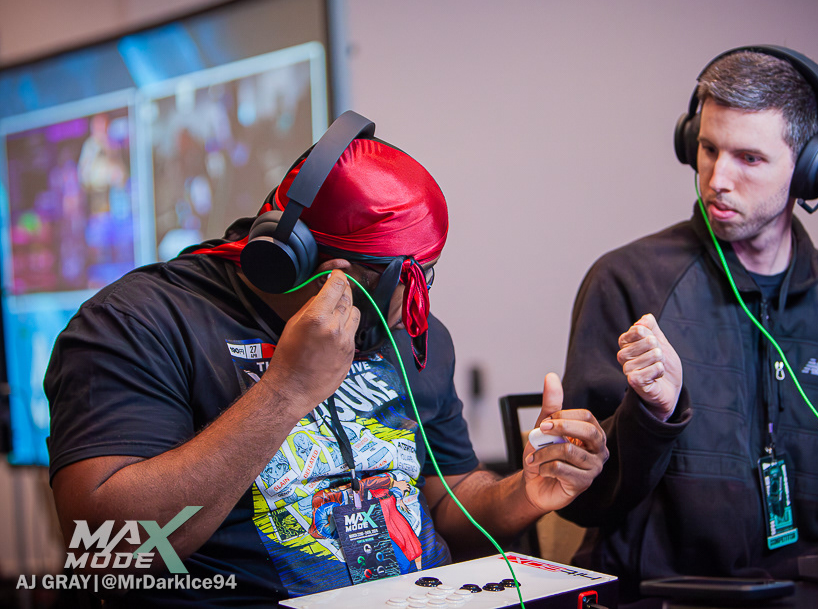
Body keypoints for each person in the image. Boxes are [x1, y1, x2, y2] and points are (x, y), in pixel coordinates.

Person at [45, 113, 609, 607]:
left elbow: (444, 502)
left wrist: (525, 492)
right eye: (406, 281)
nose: (415, 308)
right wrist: (284, 392)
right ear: (328, 272)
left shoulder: (408, 331)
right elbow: (106, 551)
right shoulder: (141, 321)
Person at [558, 46, 818, 600]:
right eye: (708, 149)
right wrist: (652, 415)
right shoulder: (628, 282)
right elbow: (583, 498)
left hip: (808, 595)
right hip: (660, 598)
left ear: (813, 170)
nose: (717, 178)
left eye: (749, 158)